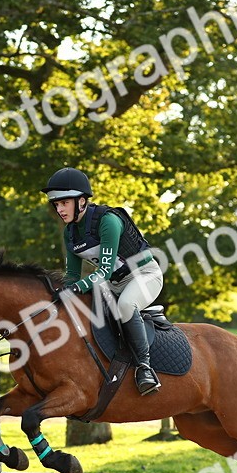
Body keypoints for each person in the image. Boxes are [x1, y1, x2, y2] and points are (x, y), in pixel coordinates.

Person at [43, 167, 164, 395]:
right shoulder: (70, 233)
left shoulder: (108, 221)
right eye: (56, 205)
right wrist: (58, 293)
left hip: (145, 276)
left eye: (64, 203)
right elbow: (72, 276)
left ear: (81, 201)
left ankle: (145, 368)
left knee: (126, 305)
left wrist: (76, 288)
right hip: (114, 284)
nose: (59, 209)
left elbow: (105, 271)